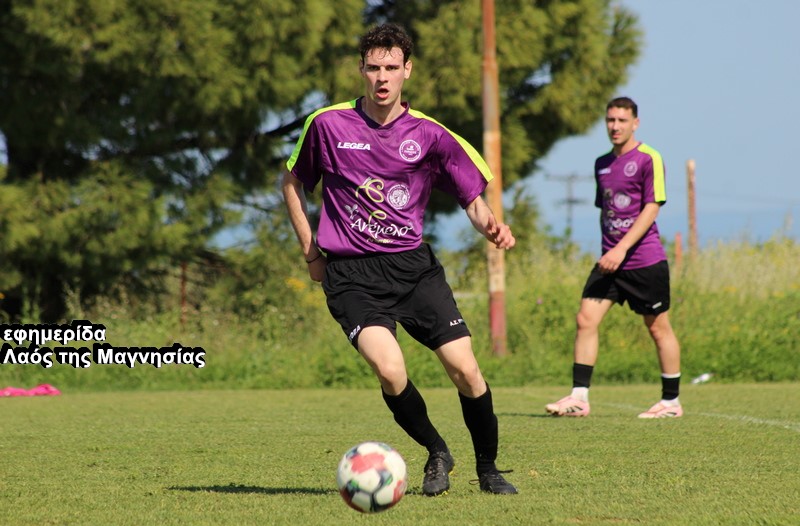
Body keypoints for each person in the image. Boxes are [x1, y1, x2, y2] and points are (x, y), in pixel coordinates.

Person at [282, 23, 518, 495]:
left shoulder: (431, 134)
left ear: (407, 70)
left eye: (391, 67)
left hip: (412, 269)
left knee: (465, 369)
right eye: (374, 68)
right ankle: (437, 451)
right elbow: (292, 182)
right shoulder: (327, 124)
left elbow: (472, 199)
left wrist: (491, 225)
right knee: (390, 370)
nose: (382, 77)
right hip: (351, 274)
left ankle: (489, 469)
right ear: (361, 70)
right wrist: (311, 251)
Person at [545, 96, 683, 419]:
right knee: (586, 319)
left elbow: (652, 208)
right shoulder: (601, 164)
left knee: (658, 327)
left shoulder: (649, 158)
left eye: (622, 120)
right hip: (609, 263)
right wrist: (610, 250)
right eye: (610, 120)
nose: (615, 126)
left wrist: (621, 249)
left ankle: (671, 402)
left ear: (635, 123)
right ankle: (579, 398)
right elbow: (607, 210)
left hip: (644, 261)